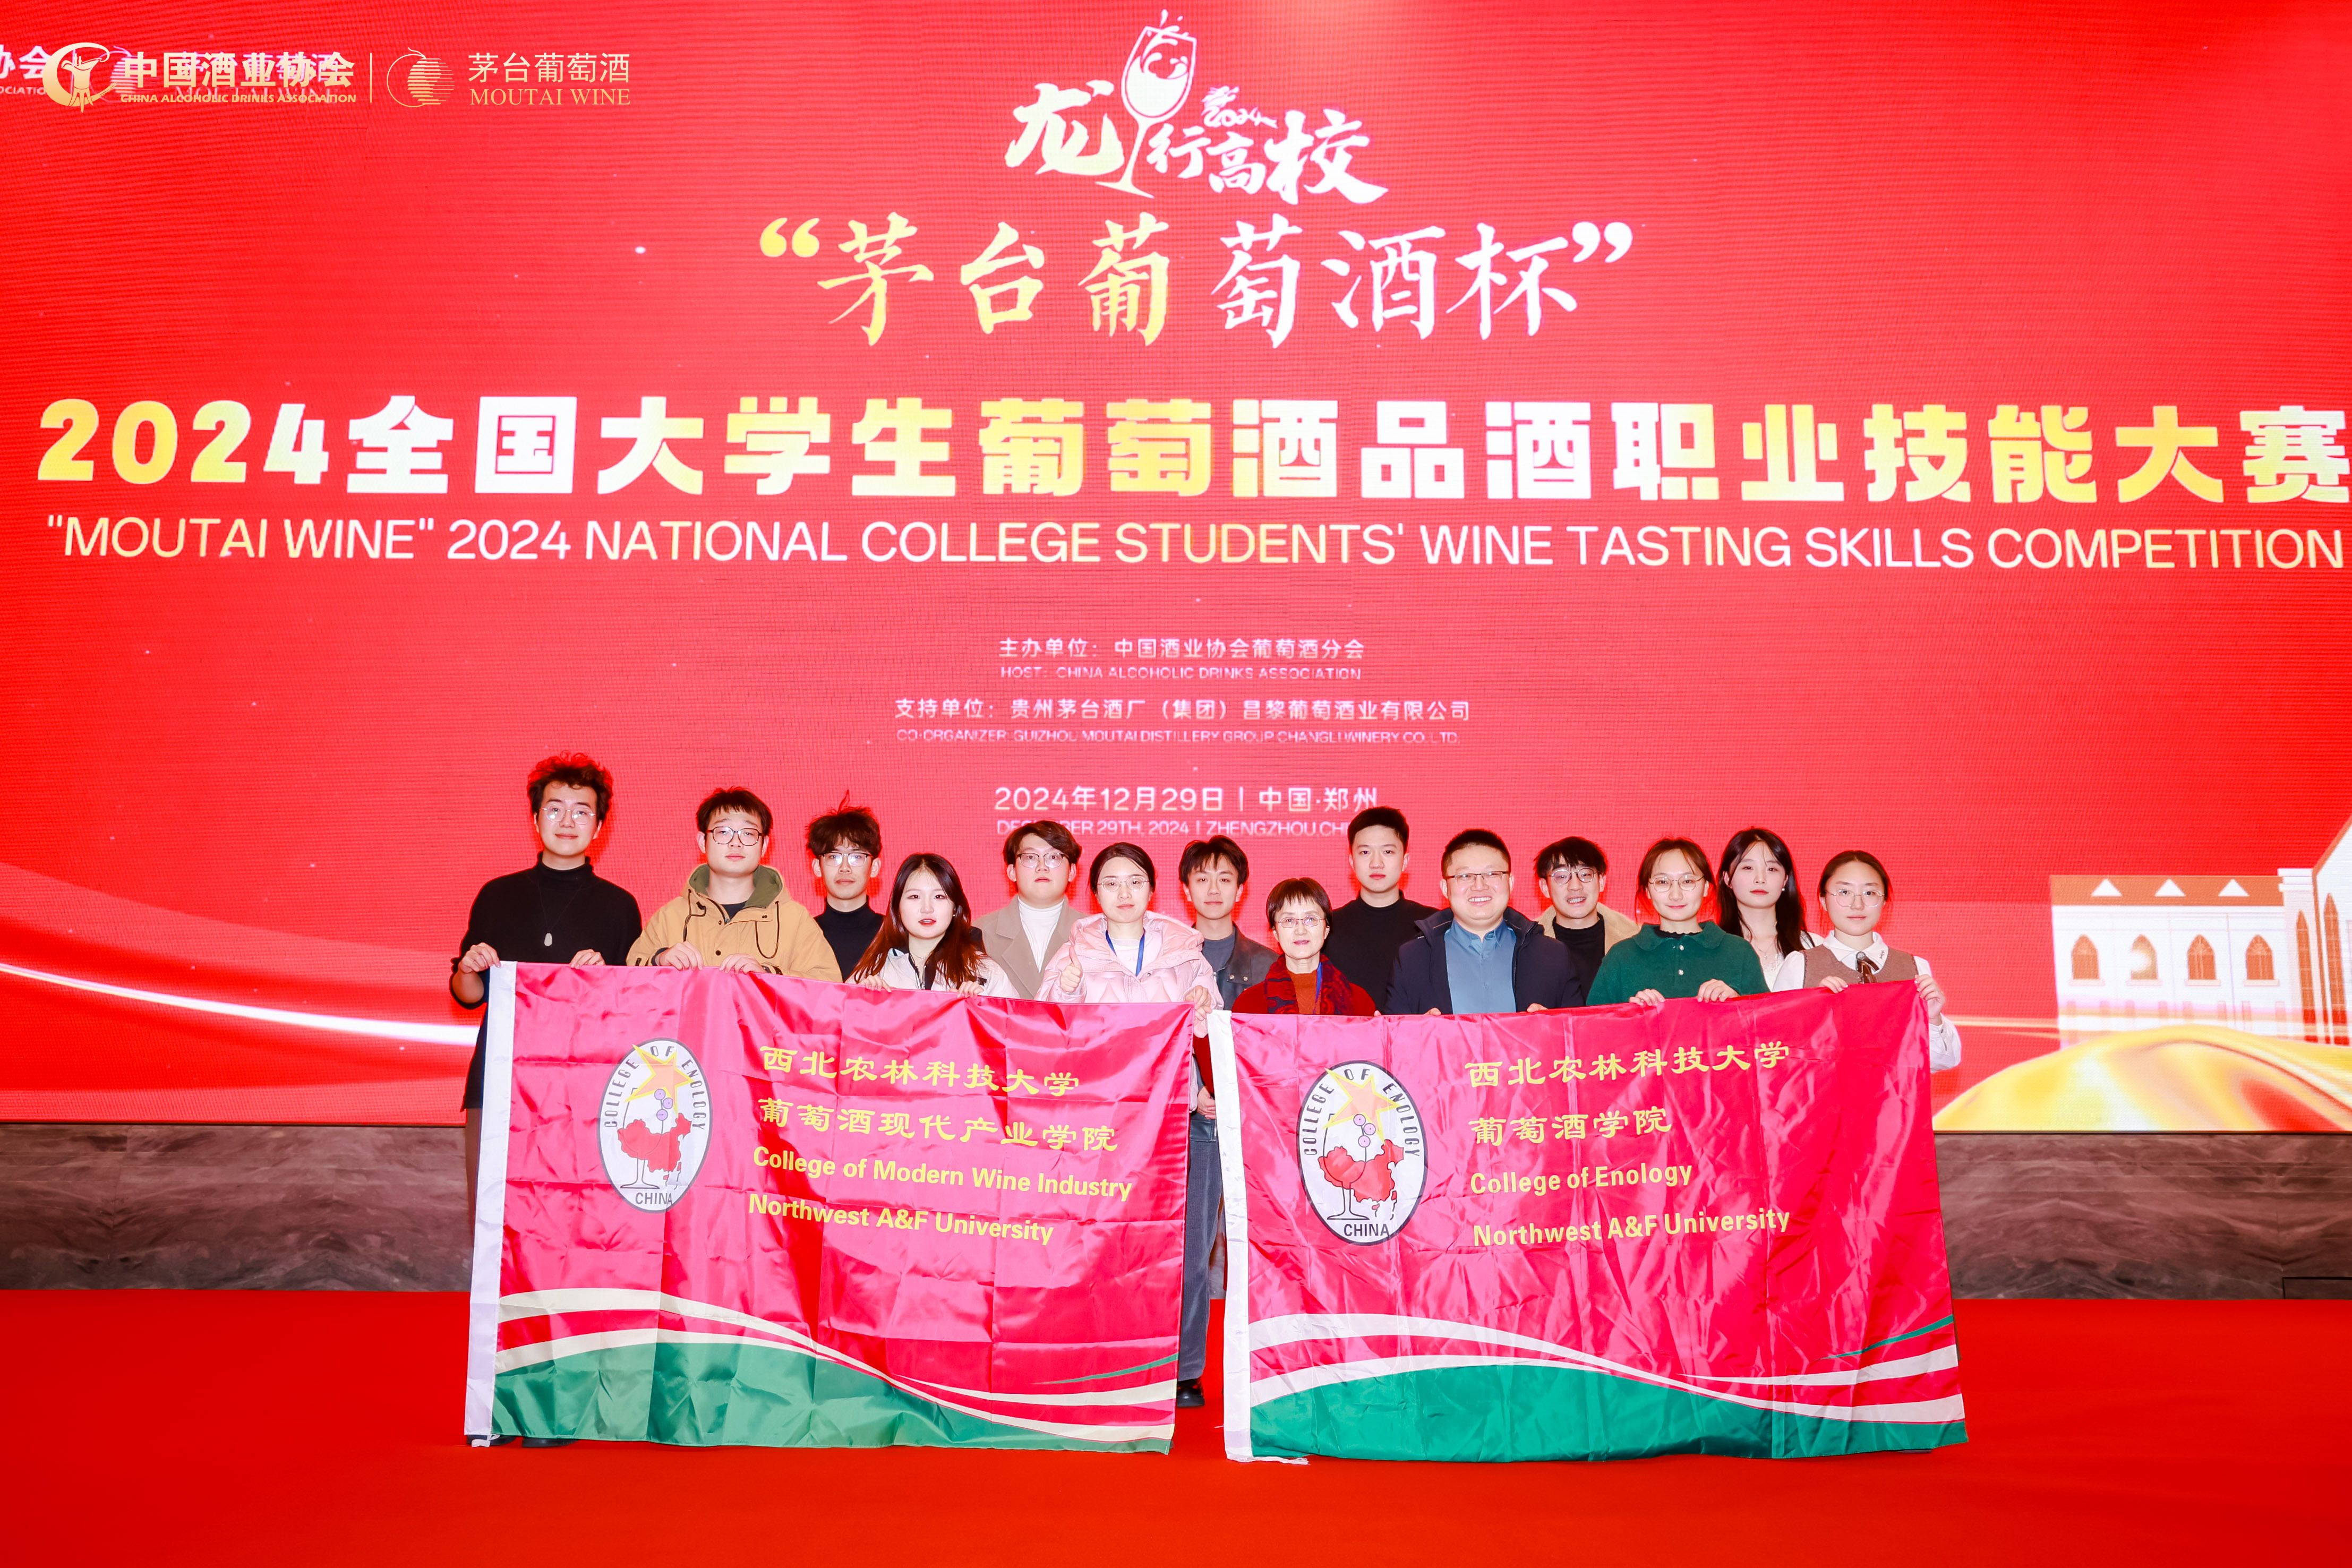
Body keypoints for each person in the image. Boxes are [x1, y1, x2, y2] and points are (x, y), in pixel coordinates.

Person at [1039, 843, 1219, 1410]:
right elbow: (1048, 1032)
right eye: (1111, 882)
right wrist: (1067, 988)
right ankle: (1107, 1359)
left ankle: (1184, 1369)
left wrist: (1203, 1003)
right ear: (1094, 892)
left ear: (1151, 889)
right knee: (1106, 1246)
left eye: (1135, 881)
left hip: (1181, 1120)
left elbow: (1213, 1031)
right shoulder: (1074, 952)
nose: (1124, 892)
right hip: (1106, 1128)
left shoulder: (1187, 953)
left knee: (1186, 1251)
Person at [452, 755, 643, 1209]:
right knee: (493, 1214)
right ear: (536, 818)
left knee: (574, 1215)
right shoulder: (497, 894)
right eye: (555, 809)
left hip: (584, 1088)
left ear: (599, 826)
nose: (567, 821)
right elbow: (468, 996)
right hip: (500, 1079)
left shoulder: (619, 906)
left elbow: (631, 1011)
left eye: (582, 811)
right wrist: (467, 969)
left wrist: (604, 981)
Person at [1774, 850, 1963, 1072]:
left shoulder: (1914, 968)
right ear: (1823, 901)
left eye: (1870, 893)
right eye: (1844, 892)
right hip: (1823, 1095)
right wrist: (1814, 1013)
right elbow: (1775, 1053)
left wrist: (1933, 1019)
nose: (1858, 904)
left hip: (1895, 1094)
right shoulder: (1800, 966)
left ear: (1884, 901)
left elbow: (1944, 1062)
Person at [626, 789, 840, 979]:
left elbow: (828, 987)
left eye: (748, 834)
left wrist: (769, 976)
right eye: (723, 832)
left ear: (764, 845)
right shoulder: (669, 917)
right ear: (702, 842)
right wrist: (659, 960)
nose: (736, 843)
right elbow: (627, 981)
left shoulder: (794, 919)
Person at [1384, 830, 1583, 1015]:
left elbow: (1578, 1034)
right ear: (1445, 888)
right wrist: (1418, 1033)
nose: (1479, 886)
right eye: (1465, 876)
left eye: (1492, 874)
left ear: (1510, 882)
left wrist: (1552, 1027)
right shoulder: (1412, 959)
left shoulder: (1553, 956)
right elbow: (1393, 1036)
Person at [1587, 837, 1769, 1005]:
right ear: (1648, 891)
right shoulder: (1621, 956)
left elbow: (1769, 1022)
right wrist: (1630, 1016)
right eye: (1663, 882)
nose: (1676, 895)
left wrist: (1738, 1004)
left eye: (1688, 881)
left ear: (1706, 887)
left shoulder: (1739, 952)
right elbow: (1592, 1025)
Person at [846, 854, 1021, 996]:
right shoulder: (874, 970)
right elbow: (839, 1022)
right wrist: (862, 1003)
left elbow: (1013, 1026)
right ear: (897, 908)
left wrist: (982, 1010)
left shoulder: (986, 972)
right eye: (915, 897)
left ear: (955, 908)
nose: (927, 908)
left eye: (939, 897)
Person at [1323, 807, 1438, 1012]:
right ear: (1352, 861)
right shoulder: (1328, 927)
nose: (1376, 863)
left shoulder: (1433, 925)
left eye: (1388, 852)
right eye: (1365, 852)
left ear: (1405, 861)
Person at [1232, 877, 1378, 1016]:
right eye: (1289, 920)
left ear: (1326, 929)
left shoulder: (1360, 1003)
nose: (1300, 930)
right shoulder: (1248, 1006)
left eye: (1311, 919)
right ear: (1276, 933)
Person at [976, 820, 1082, 999]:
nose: (1042, 867)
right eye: (1030, 858)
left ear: (1072, 871)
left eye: (1054, 857)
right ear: (1012, 871)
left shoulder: (1093, 932)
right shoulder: (980, 932)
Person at [1530, 835, 1640, 997]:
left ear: (1601, 881)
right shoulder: (1526, 947)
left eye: (1586, 874)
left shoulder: (1637, 941)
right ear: (1545, 887)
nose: (1575, 886)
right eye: (1562, 876)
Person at [1181, 835, 1275, 1007]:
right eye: (1203, 880)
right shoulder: (1169, 961)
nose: (1214, 890)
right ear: (1187, 890)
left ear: (1239, 891)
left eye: (1224, 880)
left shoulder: (1270, 966)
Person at [1717, 827, 1814, 980]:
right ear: (1727, 878)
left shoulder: (1812, 946)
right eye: (1748, 868)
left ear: (1785, 880)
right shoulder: (1712, 947)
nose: (1760, 879)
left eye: (1772, 869)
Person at [807, 801, 885, 982]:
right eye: (834, 857)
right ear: (817, 867)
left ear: (875, 867)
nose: (845, 868)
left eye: (857, 857)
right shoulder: (802, 934)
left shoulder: (894, 935)